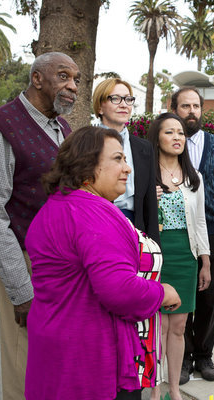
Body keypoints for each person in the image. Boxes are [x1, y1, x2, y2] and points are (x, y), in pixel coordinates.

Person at [24, 126, 181, 400]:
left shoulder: (56, 206)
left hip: (54, 349)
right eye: (118, 159)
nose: (128, 169)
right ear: (87, 166)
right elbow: (119, 290)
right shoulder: (93, 214)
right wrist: (162, 292)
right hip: (88, 361)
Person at [0, 51, 80, 400]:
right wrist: (21, 291)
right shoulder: (3, 124)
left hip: (65, 266)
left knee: (57, 364)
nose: (73, 86)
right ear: (37, 79)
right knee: (24, 366)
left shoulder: (63, 127)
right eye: (64, 76)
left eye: (77, 79)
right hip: (25, 261)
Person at [147, 113, 211, 400]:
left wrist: (205, 260)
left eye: (181, 133)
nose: (177, 138)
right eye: (169, 132)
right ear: (157, 138)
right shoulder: (147, 174)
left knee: (179, 326)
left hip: (186, 255)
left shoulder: (194, 177)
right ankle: (154, 387)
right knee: (157, 325)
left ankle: (174, 391)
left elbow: (200, 223)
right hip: (158, 254)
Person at [170, 87, 214, 383]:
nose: (192, 111)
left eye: (196, 106)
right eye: (185, 106)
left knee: (208, 297)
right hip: (178, 233)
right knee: (181, 295)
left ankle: (204, 355)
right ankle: (183, 357)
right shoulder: (165, 146)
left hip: (213, 230)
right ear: (174, 109)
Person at [92, 77, 159, 243]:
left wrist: (154, 245)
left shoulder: (144, 148)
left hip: (136, 229)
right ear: (100, 107)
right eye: (115, 99)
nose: (124, 104)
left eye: (128, 99)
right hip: (96, 227)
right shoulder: (87, 144)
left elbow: (149, 203)